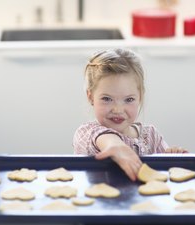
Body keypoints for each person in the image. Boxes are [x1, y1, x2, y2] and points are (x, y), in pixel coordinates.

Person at [73, 48, 188, 182]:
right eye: (107, 99)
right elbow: (106, 139)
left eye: (128, 100)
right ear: (91, 97)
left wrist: (173, 157)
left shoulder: (151, 135)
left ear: (140, 97)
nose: (117, 109)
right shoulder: (86, 133)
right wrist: (116, 147)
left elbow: (164, 171)